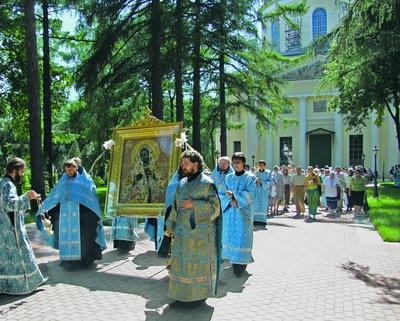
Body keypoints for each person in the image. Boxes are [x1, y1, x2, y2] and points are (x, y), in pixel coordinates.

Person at [165, 150, 221, 304]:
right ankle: (180, 296)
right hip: (182, 233)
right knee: (181, 265)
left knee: (196, 267)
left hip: (200, 235)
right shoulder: (181, 184)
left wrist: (194, 205)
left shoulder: (207, 183)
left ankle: (198, 297)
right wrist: (170, 226)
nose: (183, 166)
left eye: (186, 163)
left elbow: (215, 208)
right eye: (182, 163)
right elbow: (175, 206)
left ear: (195, 164)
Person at [36, 159, 107, 269]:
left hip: (81, 217)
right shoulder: (62, 181)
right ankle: (68, 261)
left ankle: (83, 261)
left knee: (84, 238)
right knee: (66, 238)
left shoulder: (83, 180)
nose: (69, 171)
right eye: (67, 169)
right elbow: (55, 196)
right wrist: (45, 209)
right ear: (65, 169)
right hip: (65, 217)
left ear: (76, 167)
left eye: (72, 168)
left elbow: (90, 195)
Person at [0, 158, 46, 295]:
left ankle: (14, 285)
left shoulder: (4, 183)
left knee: (8, 257)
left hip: (6, 226)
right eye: (22, 171)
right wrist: (27, 197)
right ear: (16, 169)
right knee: (20, 254)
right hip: (10, 227)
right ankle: (24, 284)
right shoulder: (7, 184)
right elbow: (9, 204)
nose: (23, 174)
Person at [220, 152, 256, 276]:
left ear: (243, 163)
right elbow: (221, 193)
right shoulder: (228, 178)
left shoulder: (250, 177)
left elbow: (250, 194)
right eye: (234, 162)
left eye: (238, 162)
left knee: (242, 235)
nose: (236, 165)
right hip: (230, 212)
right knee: (229, 235)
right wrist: (229, 201)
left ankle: (241, 262)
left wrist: (235, 195)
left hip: (243, 212)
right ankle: (232, 259)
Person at [253, 160, 272, 225]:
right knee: (256, 204)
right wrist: (255, 181)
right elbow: (252, 181)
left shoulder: (268, 172)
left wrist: (261, 182)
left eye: (262, 164)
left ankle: (263, 220)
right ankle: (255, 220)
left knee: (263, 205)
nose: (260, 166)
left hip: (264, 191)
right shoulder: (255, 172)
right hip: (256, 191)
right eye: (259, 164)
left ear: (264, 165)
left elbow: (270, 182)